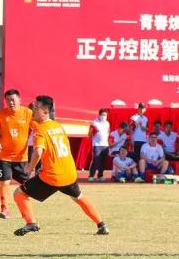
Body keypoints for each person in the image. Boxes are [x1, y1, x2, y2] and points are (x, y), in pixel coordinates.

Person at [11, 95, 108, 237]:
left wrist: (29, 167)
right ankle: (101, 224)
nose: (33, 110)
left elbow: (38, 152)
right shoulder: (58, 126)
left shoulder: (40, 129)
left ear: (45, 111)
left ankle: (31, 223)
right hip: (69, 173)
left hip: (53, 176)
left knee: (19, 193)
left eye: (36, 108)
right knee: (78, 197)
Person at [0, 89, 33, 219]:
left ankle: (26, 211)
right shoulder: (1, 114)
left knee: (27, 186)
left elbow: (38, 127)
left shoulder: (28, 113)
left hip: (22, 157)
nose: (11, 102)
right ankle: (5, 209)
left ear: (19, 100)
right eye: (8, 100)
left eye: (13, 100)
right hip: (4, 156)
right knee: (5, 182)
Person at [87, 109, 111, 182]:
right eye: (102, 115)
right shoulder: (94, 123)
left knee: (103, 162)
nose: (104, 116)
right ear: (99, 115)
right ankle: (91, 176)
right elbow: (89, 134)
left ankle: (100, 176)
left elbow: (108, 133)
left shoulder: (107, 123)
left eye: (105, 115)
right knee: (96, 160)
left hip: (105, 145)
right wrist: (92, 132)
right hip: (97, 145)